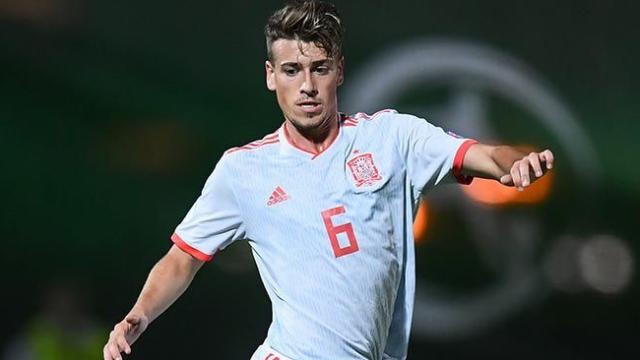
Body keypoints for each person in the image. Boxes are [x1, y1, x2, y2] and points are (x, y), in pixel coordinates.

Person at [103, 1, 555, 359]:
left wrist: (514, 163)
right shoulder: (243, 171)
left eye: (319, 68)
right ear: (270, 77)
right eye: (291, 70)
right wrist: (139, 314)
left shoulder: (392, 138)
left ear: (339, 69)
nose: (306, 86)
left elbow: (484, 153)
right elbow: (182, 258)